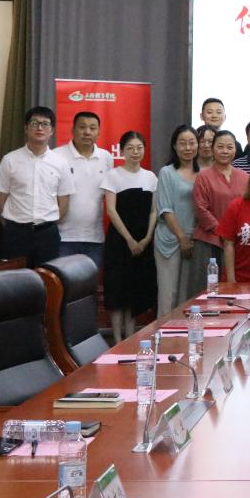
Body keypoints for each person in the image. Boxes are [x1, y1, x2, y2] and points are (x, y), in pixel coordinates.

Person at [0, 106, 75, 267]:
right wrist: (12, 226)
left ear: (52, 130)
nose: (39, 128)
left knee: (47, 278)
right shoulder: (10, 160)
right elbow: (0, 199)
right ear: (26, 128)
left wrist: (48, 223)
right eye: (34, 123)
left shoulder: (60, 163)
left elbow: (64, 201)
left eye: (45, 124)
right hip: (16, 234)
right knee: (16, 278)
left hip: (47, 235)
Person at [101, 131, 157, 343]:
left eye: (139, 148)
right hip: (119, 241)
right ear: (122, 151)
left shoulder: (150, 177)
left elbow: (154, 211)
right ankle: (117, 340)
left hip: (143, 241)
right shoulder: (113, 175)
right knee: (118, 291)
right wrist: (129, 239)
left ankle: (131, 338)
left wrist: (147, 238)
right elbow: (111, 211)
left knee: (134, 291)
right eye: (130, 148)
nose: (135, 152)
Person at [190, 130, 248, 296]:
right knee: (206, 289)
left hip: (238, 241)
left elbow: (249, 206)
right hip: (209, 241)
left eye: (229, 147)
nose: (225, 151)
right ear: (212, 148)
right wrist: (222, 232)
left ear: (235, 149)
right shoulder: (203, 176)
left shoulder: (244, 176)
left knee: (235, 288)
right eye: (220, 146)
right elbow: (200, 208)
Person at [55, 111, 113, 270]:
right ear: (73, 130)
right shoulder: (56, 156)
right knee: (62, 282)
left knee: (90, 283)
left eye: (93, 128)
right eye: (82, 127)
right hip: (63, 237)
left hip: (95, 238)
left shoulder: (106, 158)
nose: (87, 132)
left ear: (98, 132)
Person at [154, 125, 199, 316]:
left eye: (192, 143)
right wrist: (182, 238)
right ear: (174, 146)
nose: (188, 147)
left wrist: (191, 238)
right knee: (168, 295)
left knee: (188, 296)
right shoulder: (167, 172)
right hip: (170, 240)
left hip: (195, 241)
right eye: (182, 143)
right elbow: (165, 209)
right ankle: (163, 334)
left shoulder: (204, 172)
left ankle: (186, 333)